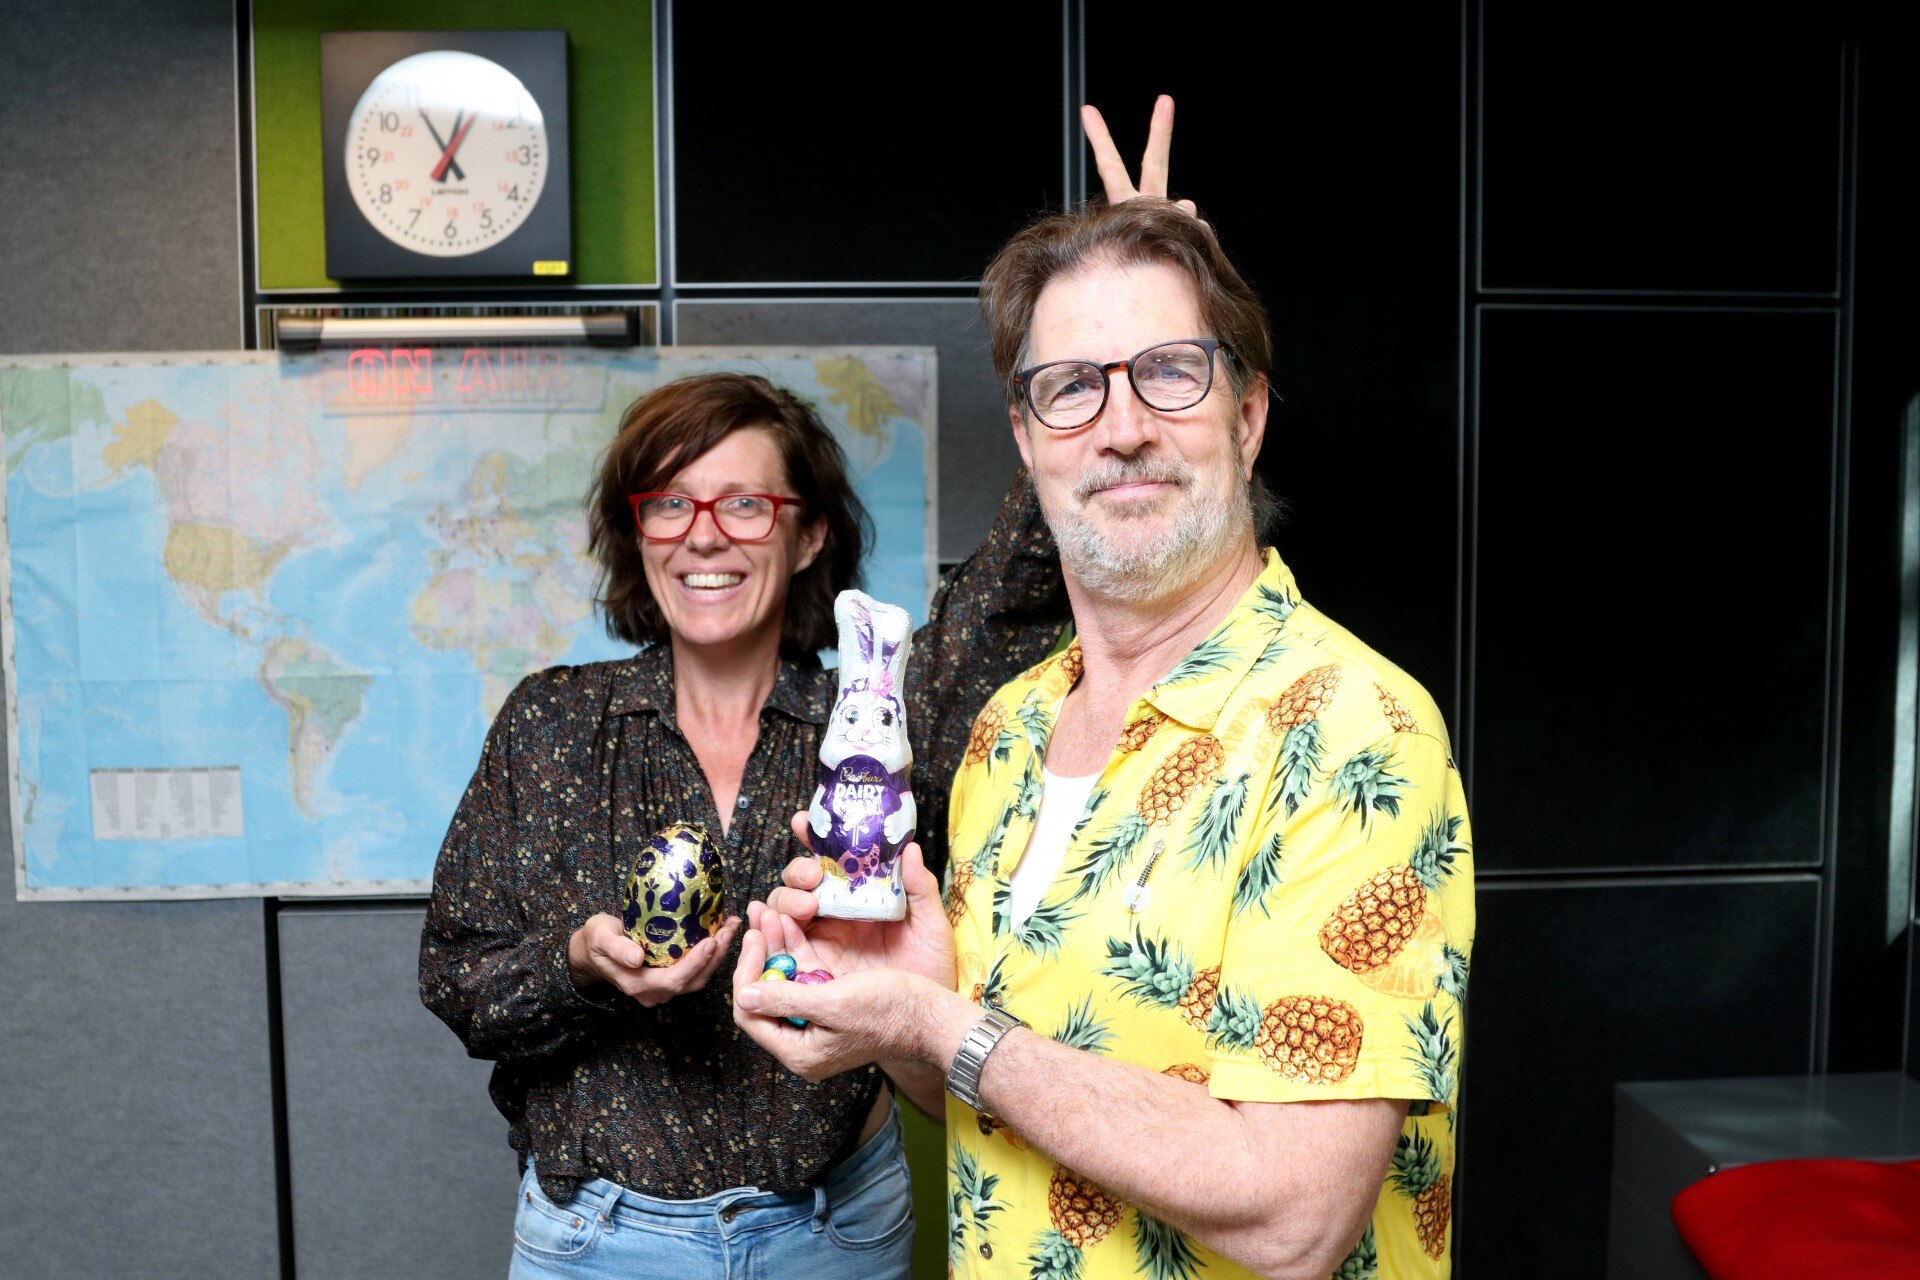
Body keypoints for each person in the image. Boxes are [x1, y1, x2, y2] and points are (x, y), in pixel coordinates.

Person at [733, 98, 1476, 1280]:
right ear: (1027, 441)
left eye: (1170, 372)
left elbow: (1297, 1217)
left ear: (1249, 413)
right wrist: (896, 1008)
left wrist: (944, 1026)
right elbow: (983, 1093)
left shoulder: (1354, 728)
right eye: (1073, 385)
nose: (1122, 425)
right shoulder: (1007, 732)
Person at [418, 371, 1067, 1279]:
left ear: (808, 537)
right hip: (597, 1245)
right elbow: (457, 979)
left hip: (835, 1232)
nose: (704, 534)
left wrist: (1097, 363)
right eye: (671, 502)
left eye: (746, 503)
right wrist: (582, 968)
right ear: (636, 532)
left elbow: (1014, 591)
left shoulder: (876, 722)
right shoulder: (550, 724)